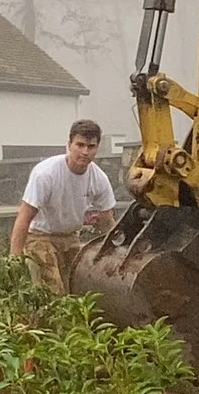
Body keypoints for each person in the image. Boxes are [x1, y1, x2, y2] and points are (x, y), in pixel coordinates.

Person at [10, 119, 118, 293]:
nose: (85, 152)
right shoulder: (46, 173)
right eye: (80, 145)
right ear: (69, 145)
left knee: (79, 289)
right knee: (53, 290)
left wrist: (117, 252)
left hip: (70, 237)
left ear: (97, 148)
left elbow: (107, 219)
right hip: (40, 237)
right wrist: (14, 259)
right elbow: (24, 218)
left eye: (91, 146)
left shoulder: (99, 178)